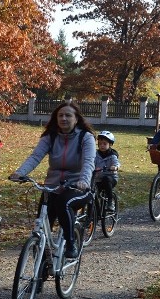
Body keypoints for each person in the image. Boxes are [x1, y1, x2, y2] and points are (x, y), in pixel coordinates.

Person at [9, 101, 95, 259]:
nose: (64, 118)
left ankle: (70, 243)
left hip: (77, 187)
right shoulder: (51, 137)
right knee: (41, 225)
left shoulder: (85, 137)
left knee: (65, 203)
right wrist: (20, 173)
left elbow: (89, 162)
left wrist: (84, 181)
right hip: (52, 186)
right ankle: (41, 270)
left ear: (76, 119)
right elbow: (35, 157)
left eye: (68, 115)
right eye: (60, 115)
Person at [94, 131, 120, 211]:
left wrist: (115, 167)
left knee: (106, 179)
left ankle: (110, 201)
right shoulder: (96, 154)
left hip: (111, 178)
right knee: (92, 191)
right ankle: (94, 211)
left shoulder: (112, 155)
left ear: (110, 144)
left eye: (104, 144)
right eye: (100, 144)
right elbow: (91, 162)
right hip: (98, 178)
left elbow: (117, 163)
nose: (102, 146)